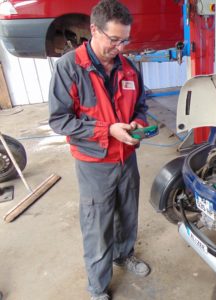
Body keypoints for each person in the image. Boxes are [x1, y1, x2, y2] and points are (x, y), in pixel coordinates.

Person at [48, 0, 150, 299]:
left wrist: (137, 124)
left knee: (127, 213)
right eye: (114, 39)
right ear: (94, 29)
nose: (120, 47)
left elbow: (142, 105)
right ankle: (98, 286)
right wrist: (108, 130)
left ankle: (124, 254)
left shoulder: (129, 68)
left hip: (127, 158)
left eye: (125, 40)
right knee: (98, 225)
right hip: (94, 162)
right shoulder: (69, 67)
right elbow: (59, 120)